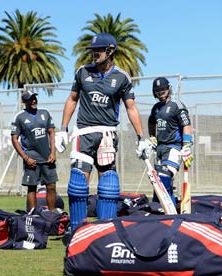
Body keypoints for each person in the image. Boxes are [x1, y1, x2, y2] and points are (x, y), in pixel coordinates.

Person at [56, 32, 153, 231]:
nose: (94, 54)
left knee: (108, 185)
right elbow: (72, 99)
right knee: (77, 184)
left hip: (107, 135)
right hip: (83, 133)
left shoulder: (122, 77)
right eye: (93, 50)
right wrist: (63, 129)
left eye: (98, 50)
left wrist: (141, 137)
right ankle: (77, 231)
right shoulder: (82, 72)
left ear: (110, 51)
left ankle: (105, 231)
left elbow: (131, 107)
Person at [148, 77, 193, 204]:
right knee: (158, 182)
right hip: (160, 148)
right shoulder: (156, 108)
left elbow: (186, 125)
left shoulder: (177, 105)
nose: (160, 93)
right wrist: (152, 136)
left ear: (169, 89)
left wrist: (187, 144)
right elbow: (151, 122)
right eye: (157, 91)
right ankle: (162, 211)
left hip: (173, 147)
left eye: (163, 90)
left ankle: (165, 210)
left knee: (164, 177)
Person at [11, 90, 58, 211]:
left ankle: (51, 215)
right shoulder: (19, 117)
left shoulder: (45, 113)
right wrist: (26, 158)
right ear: (24, 101)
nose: (33, 100)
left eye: (34, 98)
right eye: (30, 98)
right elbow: (14, 139)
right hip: (31, 159)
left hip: (48, 158)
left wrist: (53, 152)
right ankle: (32, 217)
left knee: (51, 186)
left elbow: (51, 132)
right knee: (32, 188)